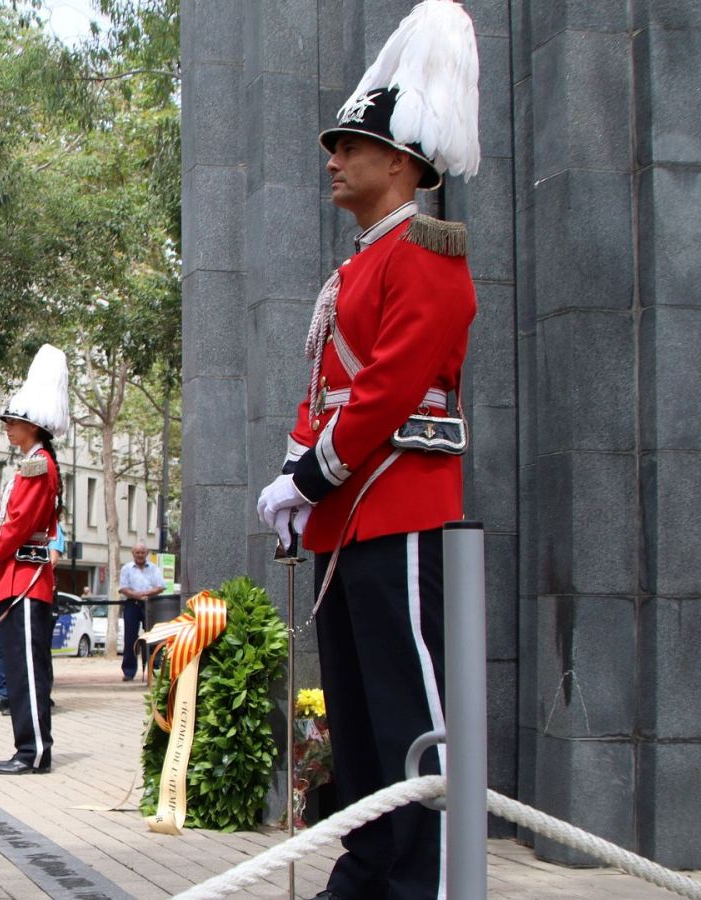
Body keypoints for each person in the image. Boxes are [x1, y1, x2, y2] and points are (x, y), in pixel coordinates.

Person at [254, 8, 479, 894]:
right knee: (356, 711)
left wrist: (311, 474)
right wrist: (295, 471)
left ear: (402, 163)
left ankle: (424, 880)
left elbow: (387, 390)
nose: (334, 160)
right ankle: (373, 864)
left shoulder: (426, 254)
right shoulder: (357, 266)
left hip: (399, 507)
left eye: (351, 146)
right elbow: (328, 388)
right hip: (348, 514)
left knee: (409, 712)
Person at [0, 345, 68, 774]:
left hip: (26, 575)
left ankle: (33, 751)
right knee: (20, 669)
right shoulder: (32, 463)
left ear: (33, 425)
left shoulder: (39, 465)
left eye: (13, 422)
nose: (8, 428)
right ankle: (27, 747)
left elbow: (17, 524)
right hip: (17, 575)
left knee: (30, 671)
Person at [118, 543, 164, 681]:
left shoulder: (154, 568)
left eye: (142, 552)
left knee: (153, 637)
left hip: (150, 604)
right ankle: (129, 672)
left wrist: (145, 594)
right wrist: (138, 596)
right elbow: (123, 588)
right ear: (133, 553)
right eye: (137, 552)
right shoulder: (126, 568)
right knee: (130, 638)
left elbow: (160, 587)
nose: (140, 555)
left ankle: (155, 669)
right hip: (132, 604)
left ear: (147, 553)